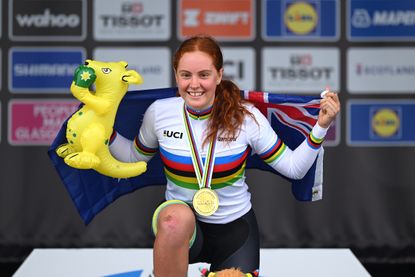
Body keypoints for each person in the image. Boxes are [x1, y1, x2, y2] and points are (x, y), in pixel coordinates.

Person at [109, 35, 340, 276]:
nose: (194, 84)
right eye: (186, 75)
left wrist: (321, 126)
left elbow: (294, 168)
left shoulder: (245, 117)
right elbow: (133, 160)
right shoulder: (159, 113)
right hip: (184, 231)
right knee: (173, 219)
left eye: (204, 75)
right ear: (176, 75)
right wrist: (103, 130)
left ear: (219, 75)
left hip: (235, 233)